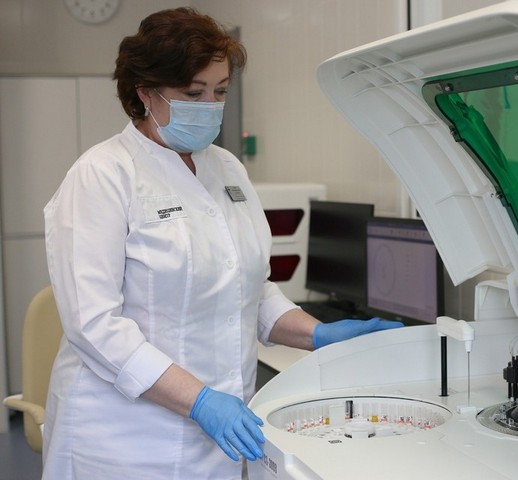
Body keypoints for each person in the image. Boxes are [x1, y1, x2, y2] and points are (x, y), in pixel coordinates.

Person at [41, 8, 402, 480]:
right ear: (145, 92)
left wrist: (317, 335)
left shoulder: (227, 169)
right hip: (125, 440)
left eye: (221, 91)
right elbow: (93, 326)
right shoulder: (102, 175)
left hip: (221, 433)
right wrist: (201, 401)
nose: (210, 105)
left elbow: (250, 288)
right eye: (194, 93)